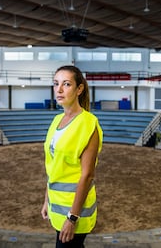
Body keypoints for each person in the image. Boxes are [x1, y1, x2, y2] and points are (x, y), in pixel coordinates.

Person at [41, 65, 103, 247]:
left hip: (75, 212)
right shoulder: (56, 121)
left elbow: (87, 175)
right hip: (57, 206)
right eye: (56, 83)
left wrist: (72, 218)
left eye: (66, 84)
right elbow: (53, 167)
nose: (59, 89)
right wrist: (47, 200)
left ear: (79, 89)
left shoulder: (88, 123)